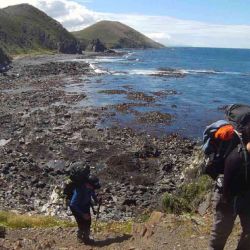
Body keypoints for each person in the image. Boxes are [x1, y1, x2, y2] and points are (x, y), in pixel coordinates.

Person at [209, 125, 250, 250]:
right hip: (227, 197)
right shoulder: (236, 158)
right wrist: (225, 202)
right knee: (221, 232)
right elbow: (226, 184)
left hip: (246, 195)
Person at [70, 176, 101, 244]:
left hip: (85, 206)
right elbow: (72, 204)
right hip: (77, 208)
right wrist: (82, 214)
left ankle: (86, 238)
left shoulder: (90, 188)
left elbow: (92, 193)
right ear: (88, 184)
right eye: (93, 187)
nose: (93, 188)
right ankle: (80, 238)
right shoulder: (79, 190)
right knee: (81, 223)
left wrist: (96, 200)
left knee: (88, 222)